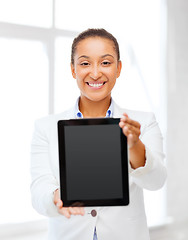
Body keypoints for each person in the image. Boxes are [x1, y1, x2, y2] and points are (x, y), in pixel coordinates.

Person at [30, 28, 167, 240]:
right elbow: (39, 188)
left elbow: (156, 181)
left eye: (105, 62)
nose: (95, 73)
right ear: (73, 69)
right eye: (85, 63)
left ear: (119, 68)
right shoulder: (45, 127)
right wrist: (56, 197)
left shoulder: (143, 122)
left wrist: (134, 146)